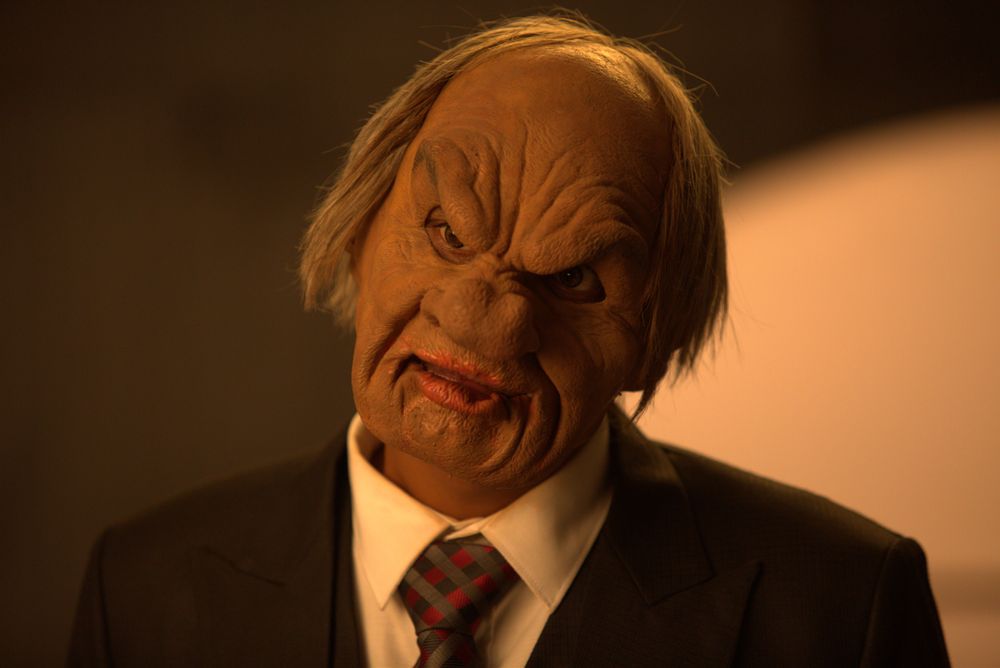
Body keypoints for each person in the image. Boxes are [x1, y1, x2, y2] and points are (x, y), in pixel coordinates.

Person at [68, 15, 949, 667]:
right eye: (447, 231)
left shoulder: (843, 611)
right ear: (358, 226)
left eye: (575, 279)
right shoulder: (142, 590)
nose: (483, 321)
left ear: (659, 335)